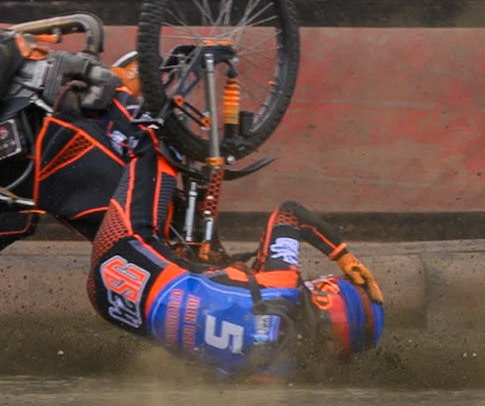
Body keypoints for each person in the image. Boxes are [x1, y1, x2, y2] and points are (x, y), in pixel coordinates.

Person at [84, 90, 384, 379]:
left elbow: (290, 213)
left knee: (154, 136)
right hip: (109, 304)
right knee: (214, 268)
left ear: (326, 299)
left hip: (122, 247)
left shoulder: (283, 283)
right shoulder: (274, 368)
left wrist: (345, 258)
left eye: (330, 284)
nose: (322, 282)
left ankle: (85, 87)